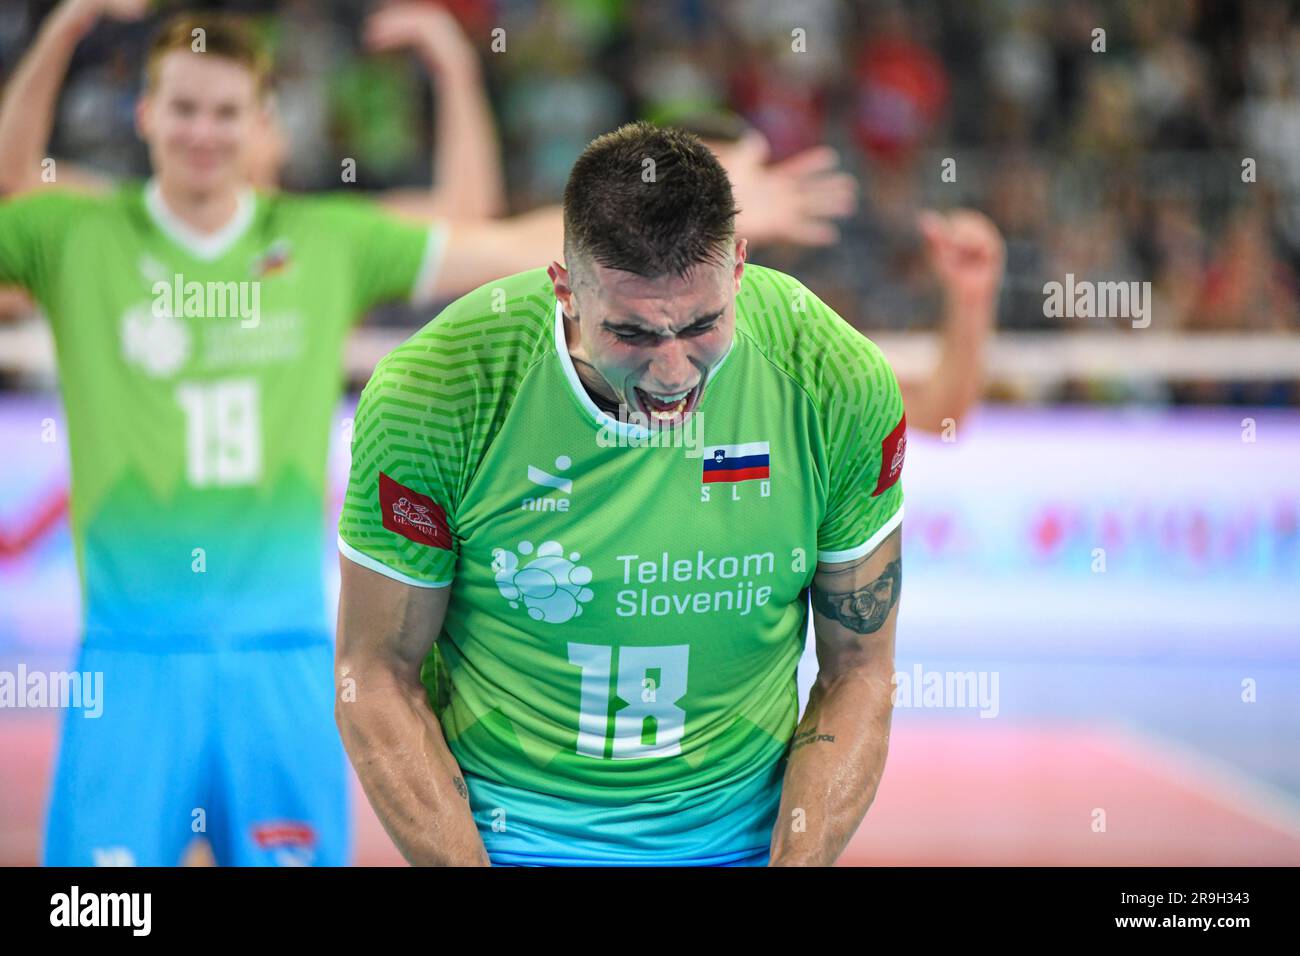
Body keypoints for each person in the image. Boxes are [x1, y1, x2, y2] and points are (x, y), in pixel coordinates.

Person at [0, 1, 594, 866]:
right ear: (145, 113)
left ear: (263, 121)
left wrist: (685, 218)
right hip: (128, 660)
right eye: (185, 107)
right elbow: (14, 186)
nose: (204, 131)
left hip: (285, 653)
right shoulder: (79, 233)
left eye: (226, 110)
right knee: (95, 912)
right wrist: (65, 27)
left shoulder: (322, 243)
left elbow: (493, 240)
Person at [334, 122, 924, 865]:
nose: (673, 373)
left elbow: (860, 669)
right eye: (634, 335)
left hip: (742, 846)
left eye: (703, 325)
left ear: (739, 266)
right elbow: (375, 674)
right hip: (502, 844)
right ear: (564, 288)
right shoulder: (436, 393)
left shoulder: (834, 379)